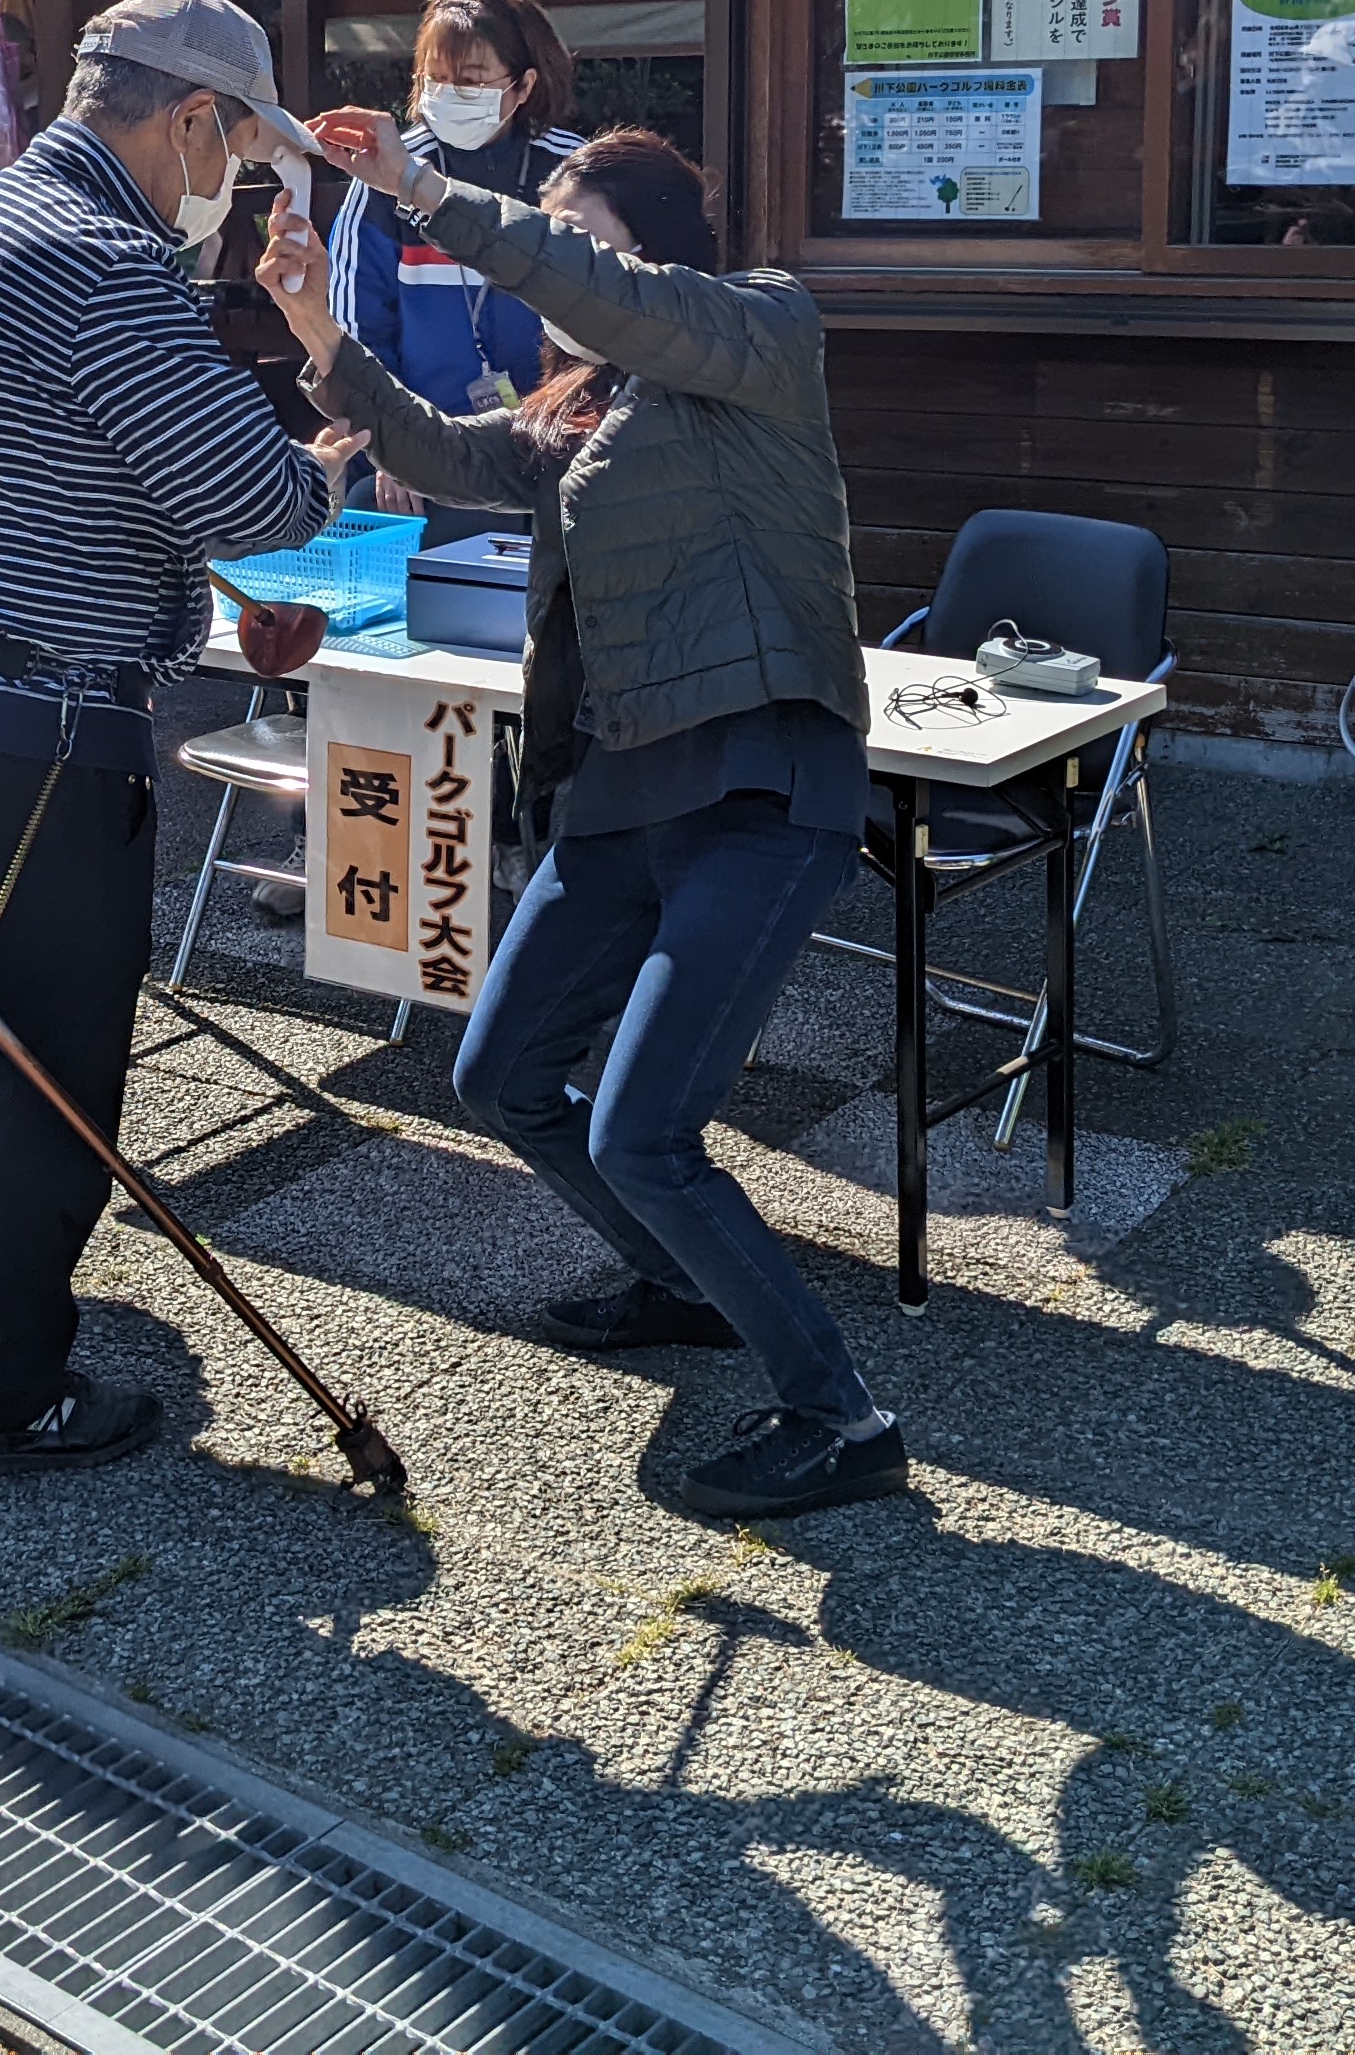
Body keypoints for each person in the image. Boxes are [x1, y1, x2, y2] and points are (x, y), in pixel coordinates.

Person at [260, 120, 909, 1521]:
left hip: (755, 784)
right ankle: (683, 1282)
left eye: (569, 226)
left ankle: (838, 1411)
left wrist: (427, 189)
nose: (542, 253)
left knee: (642, 1132)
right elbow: (433, 448)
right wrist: (315, 321)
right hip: (615, 798)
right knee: (501, 1079)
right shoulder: (581, 401)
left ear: (647, 244)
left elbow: (587, 285)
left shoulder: (758, 332)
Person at [0, 0, 336, 1477]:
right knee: (48, 1070)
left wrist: (201, 574)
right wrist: (327, 422)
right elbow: (254, 492)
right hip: (41, 738)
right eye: (234, 155)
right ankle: (1, 1397)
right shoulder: (102, 261)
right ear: (191, 117)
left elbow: (62, 461)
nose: (230, 187)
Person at [326, 0, 585, 423]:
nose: (449, 94)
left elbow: (616, 307)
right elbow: (353, 327)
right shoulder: (386, 170)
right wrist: (394, 442)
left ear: (523, 86)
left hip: (556, 434)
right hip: (424, 442)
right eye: (436, 79)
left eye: (470, 81)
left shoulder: (575, 172)